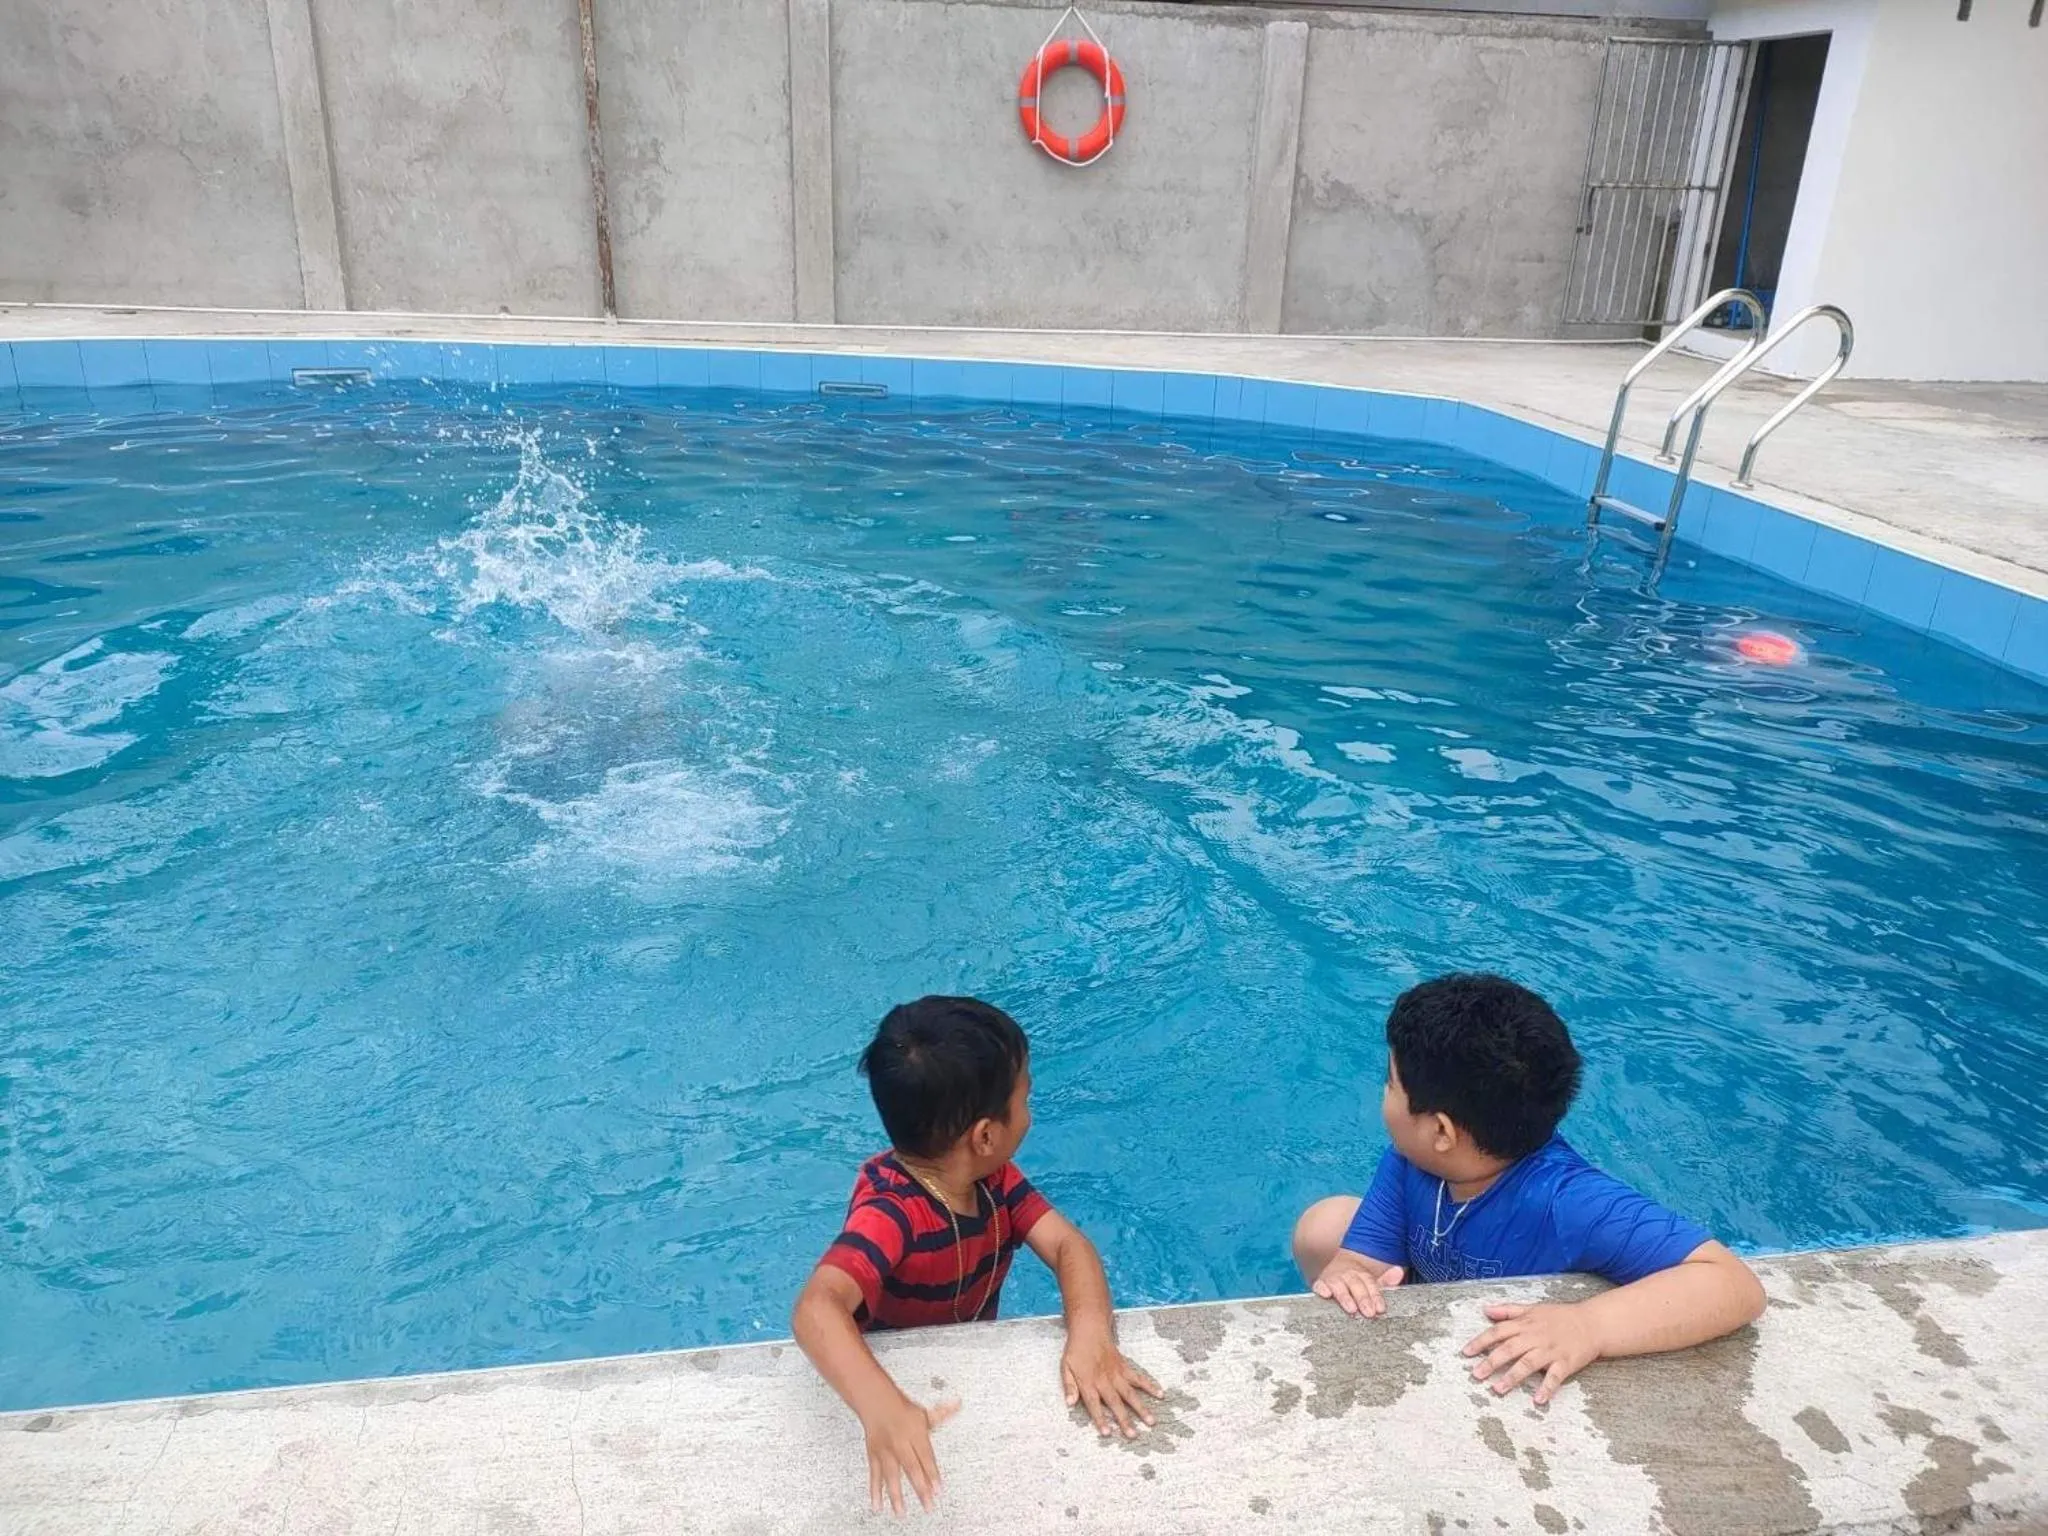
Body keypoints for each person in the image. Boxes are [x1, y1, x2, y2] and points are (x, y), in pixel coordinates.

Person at [1292, 973, 1765, 1406]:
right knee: (1323, 1225)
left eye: (1389, 1084)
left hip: (1508, 1330)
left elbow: (1734, 1285)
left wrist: (1589, 1325)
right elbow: (1365, 1257)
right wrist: (1352, 1273)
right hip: (1428, 1287)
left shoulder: (1569, 1201)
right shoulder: (1409, 1159)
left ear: (1441, 1132)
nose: (1383, 1095)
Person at [792, 996, 1161, 1516]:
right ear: (986, 1135)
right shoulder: (892, 1215)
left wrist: (1091, 1334)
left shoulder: (994, 1181)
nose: (1031, 1114)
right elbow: (816, 1307)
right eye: (1025, 1098)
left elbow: (1068, 1245)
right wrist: (883, 1407)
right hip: (900, 1366)